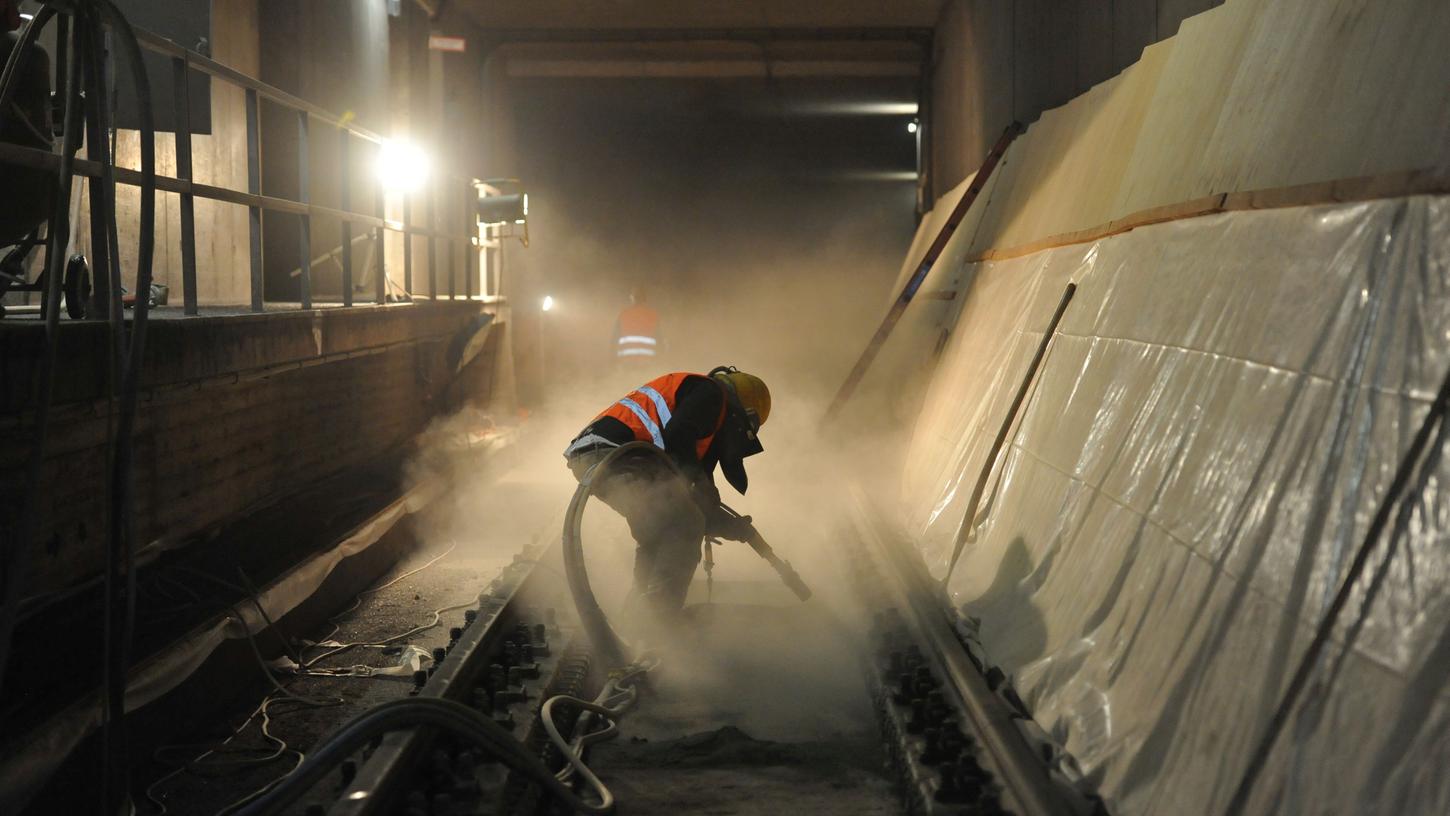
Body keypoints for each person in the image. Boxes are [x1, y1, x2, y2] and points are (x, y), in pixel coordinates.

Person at [563, 366, 771, 619]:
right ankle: (659, 620)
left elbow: (696, 495)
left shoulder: (703, 416)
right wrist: (701, 495)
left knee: (659, 530)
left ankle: (637, 619)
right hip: (615, 454)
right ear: (743, 415)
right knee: (685, 523)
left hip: (596, 456)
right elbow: (678, 437)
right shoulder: (712, 394)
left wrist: (731, 526)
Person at [613, 285, 661, 363]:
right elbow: (659, 339)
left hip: (626, 361)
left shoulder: (623, 315)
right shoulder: (652, 315)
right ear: (645, 299)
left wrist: (613, 362)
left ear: (632, 298)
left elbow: (614, 340)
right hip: (647, 362)